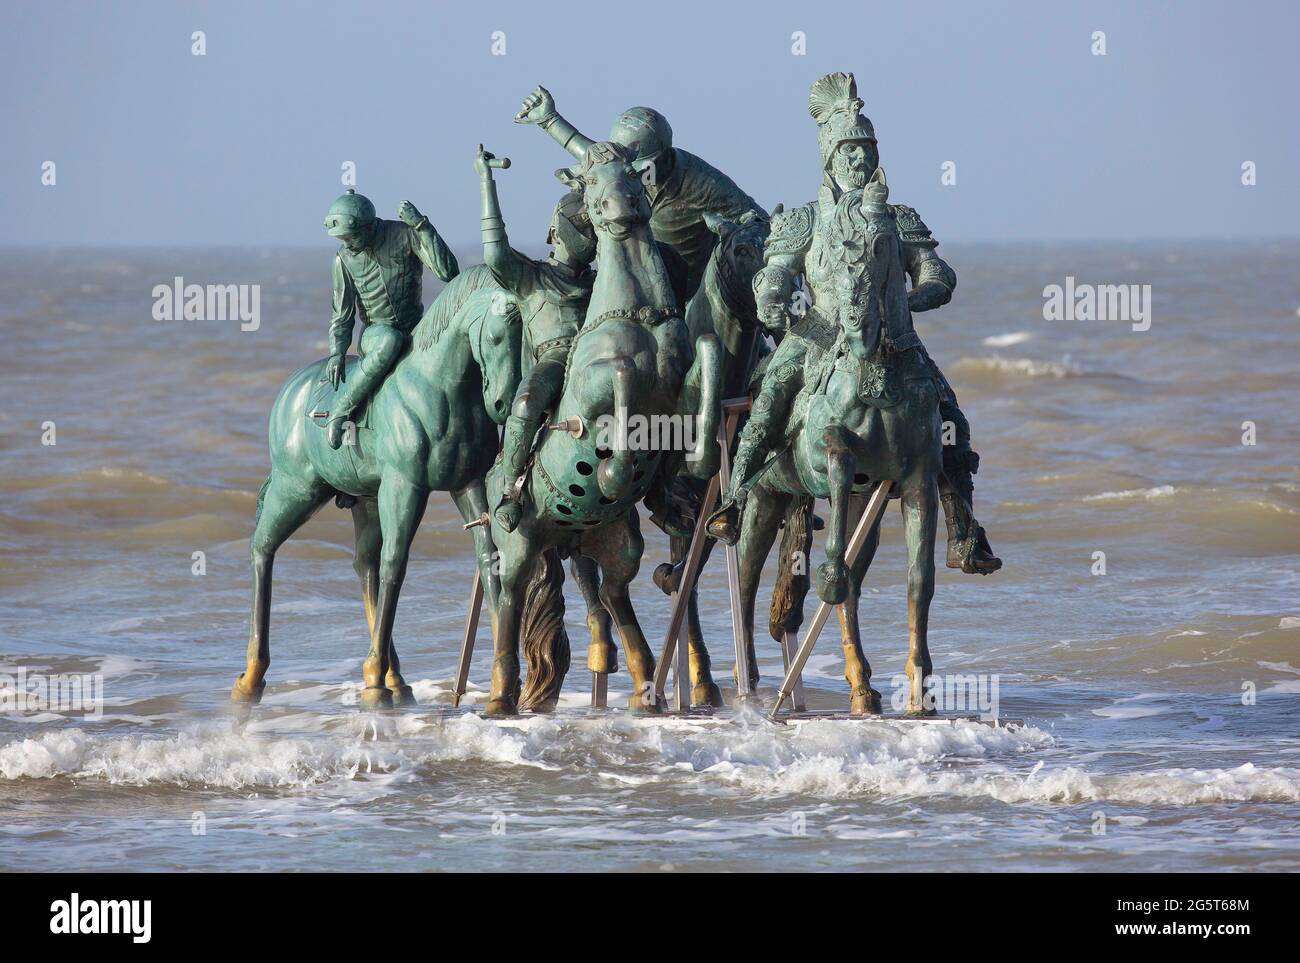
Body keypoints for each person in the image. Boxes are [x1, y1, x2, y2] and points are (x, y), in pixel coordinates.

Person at [322, 189, 459, 449]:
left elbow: (448, 273)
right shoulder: (343, 259)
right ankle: (340, 410)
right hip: (377, 334)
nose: (347, 243)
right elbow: (342, 313)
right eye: (343, 239)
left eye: (351, 237)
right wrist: (337, 352)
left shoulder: (404, 234)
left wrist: (421, 226)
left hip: (417, 328)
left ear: (369, 226)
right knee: (389, 340)